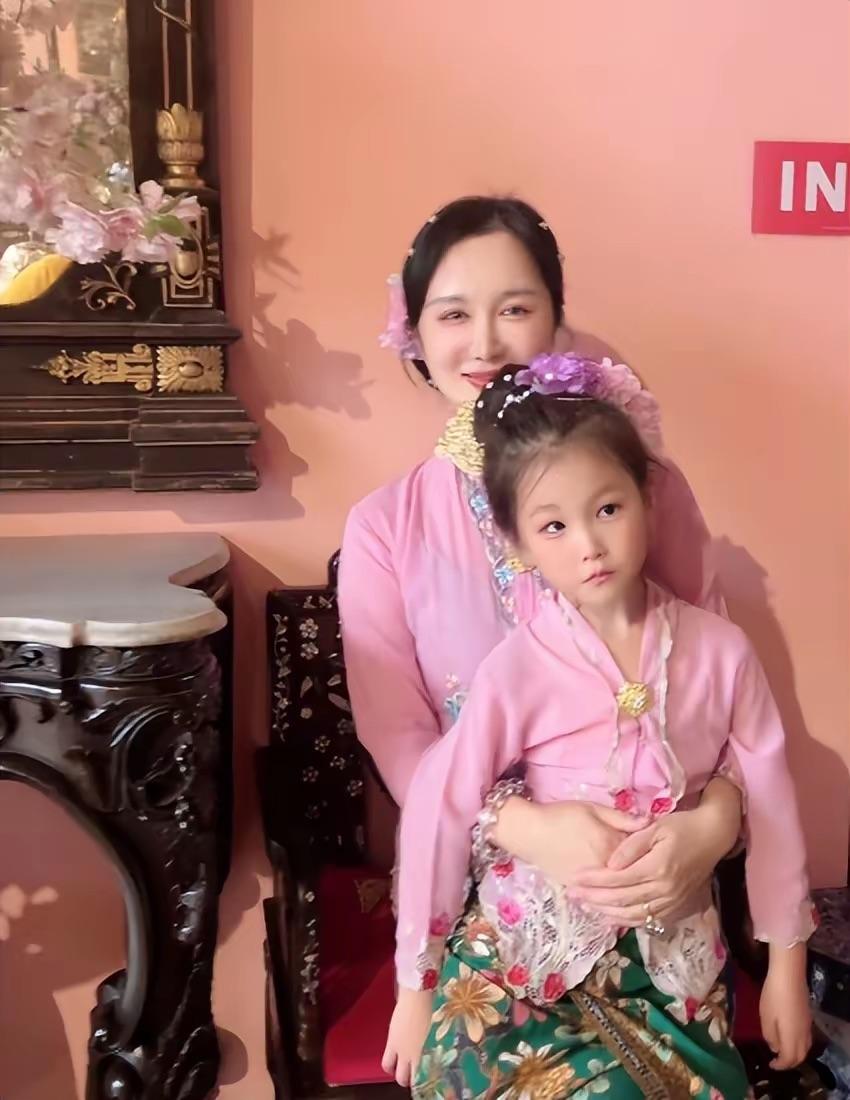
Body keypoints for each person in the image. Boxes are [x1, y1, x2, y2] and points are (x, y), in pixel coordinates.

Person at [385, 358, 815, 1098]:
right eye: (554, 525)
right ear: (518, 545)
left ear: (647, 500)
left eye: (608, 509)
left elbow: (771, 802)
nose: (588, 543)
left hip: (673, 971)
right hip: (520, 964)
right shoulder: (517, 667)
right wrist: (415, 990)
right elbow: (438, 804)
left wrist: (785, 970)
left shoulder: (722, 652)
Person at [339, 195, 742, 941]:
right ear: (415, 334)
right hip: (475, 893)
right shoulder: (383, 529)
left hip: (655, 872)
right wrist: (525, 828)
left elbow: (720, 682)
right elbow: (399, 739)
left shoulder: (647, 489)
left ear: (555, 322)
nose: (485, 342)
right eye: (453, 315)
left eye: (515, 309)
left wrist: (713, 824)